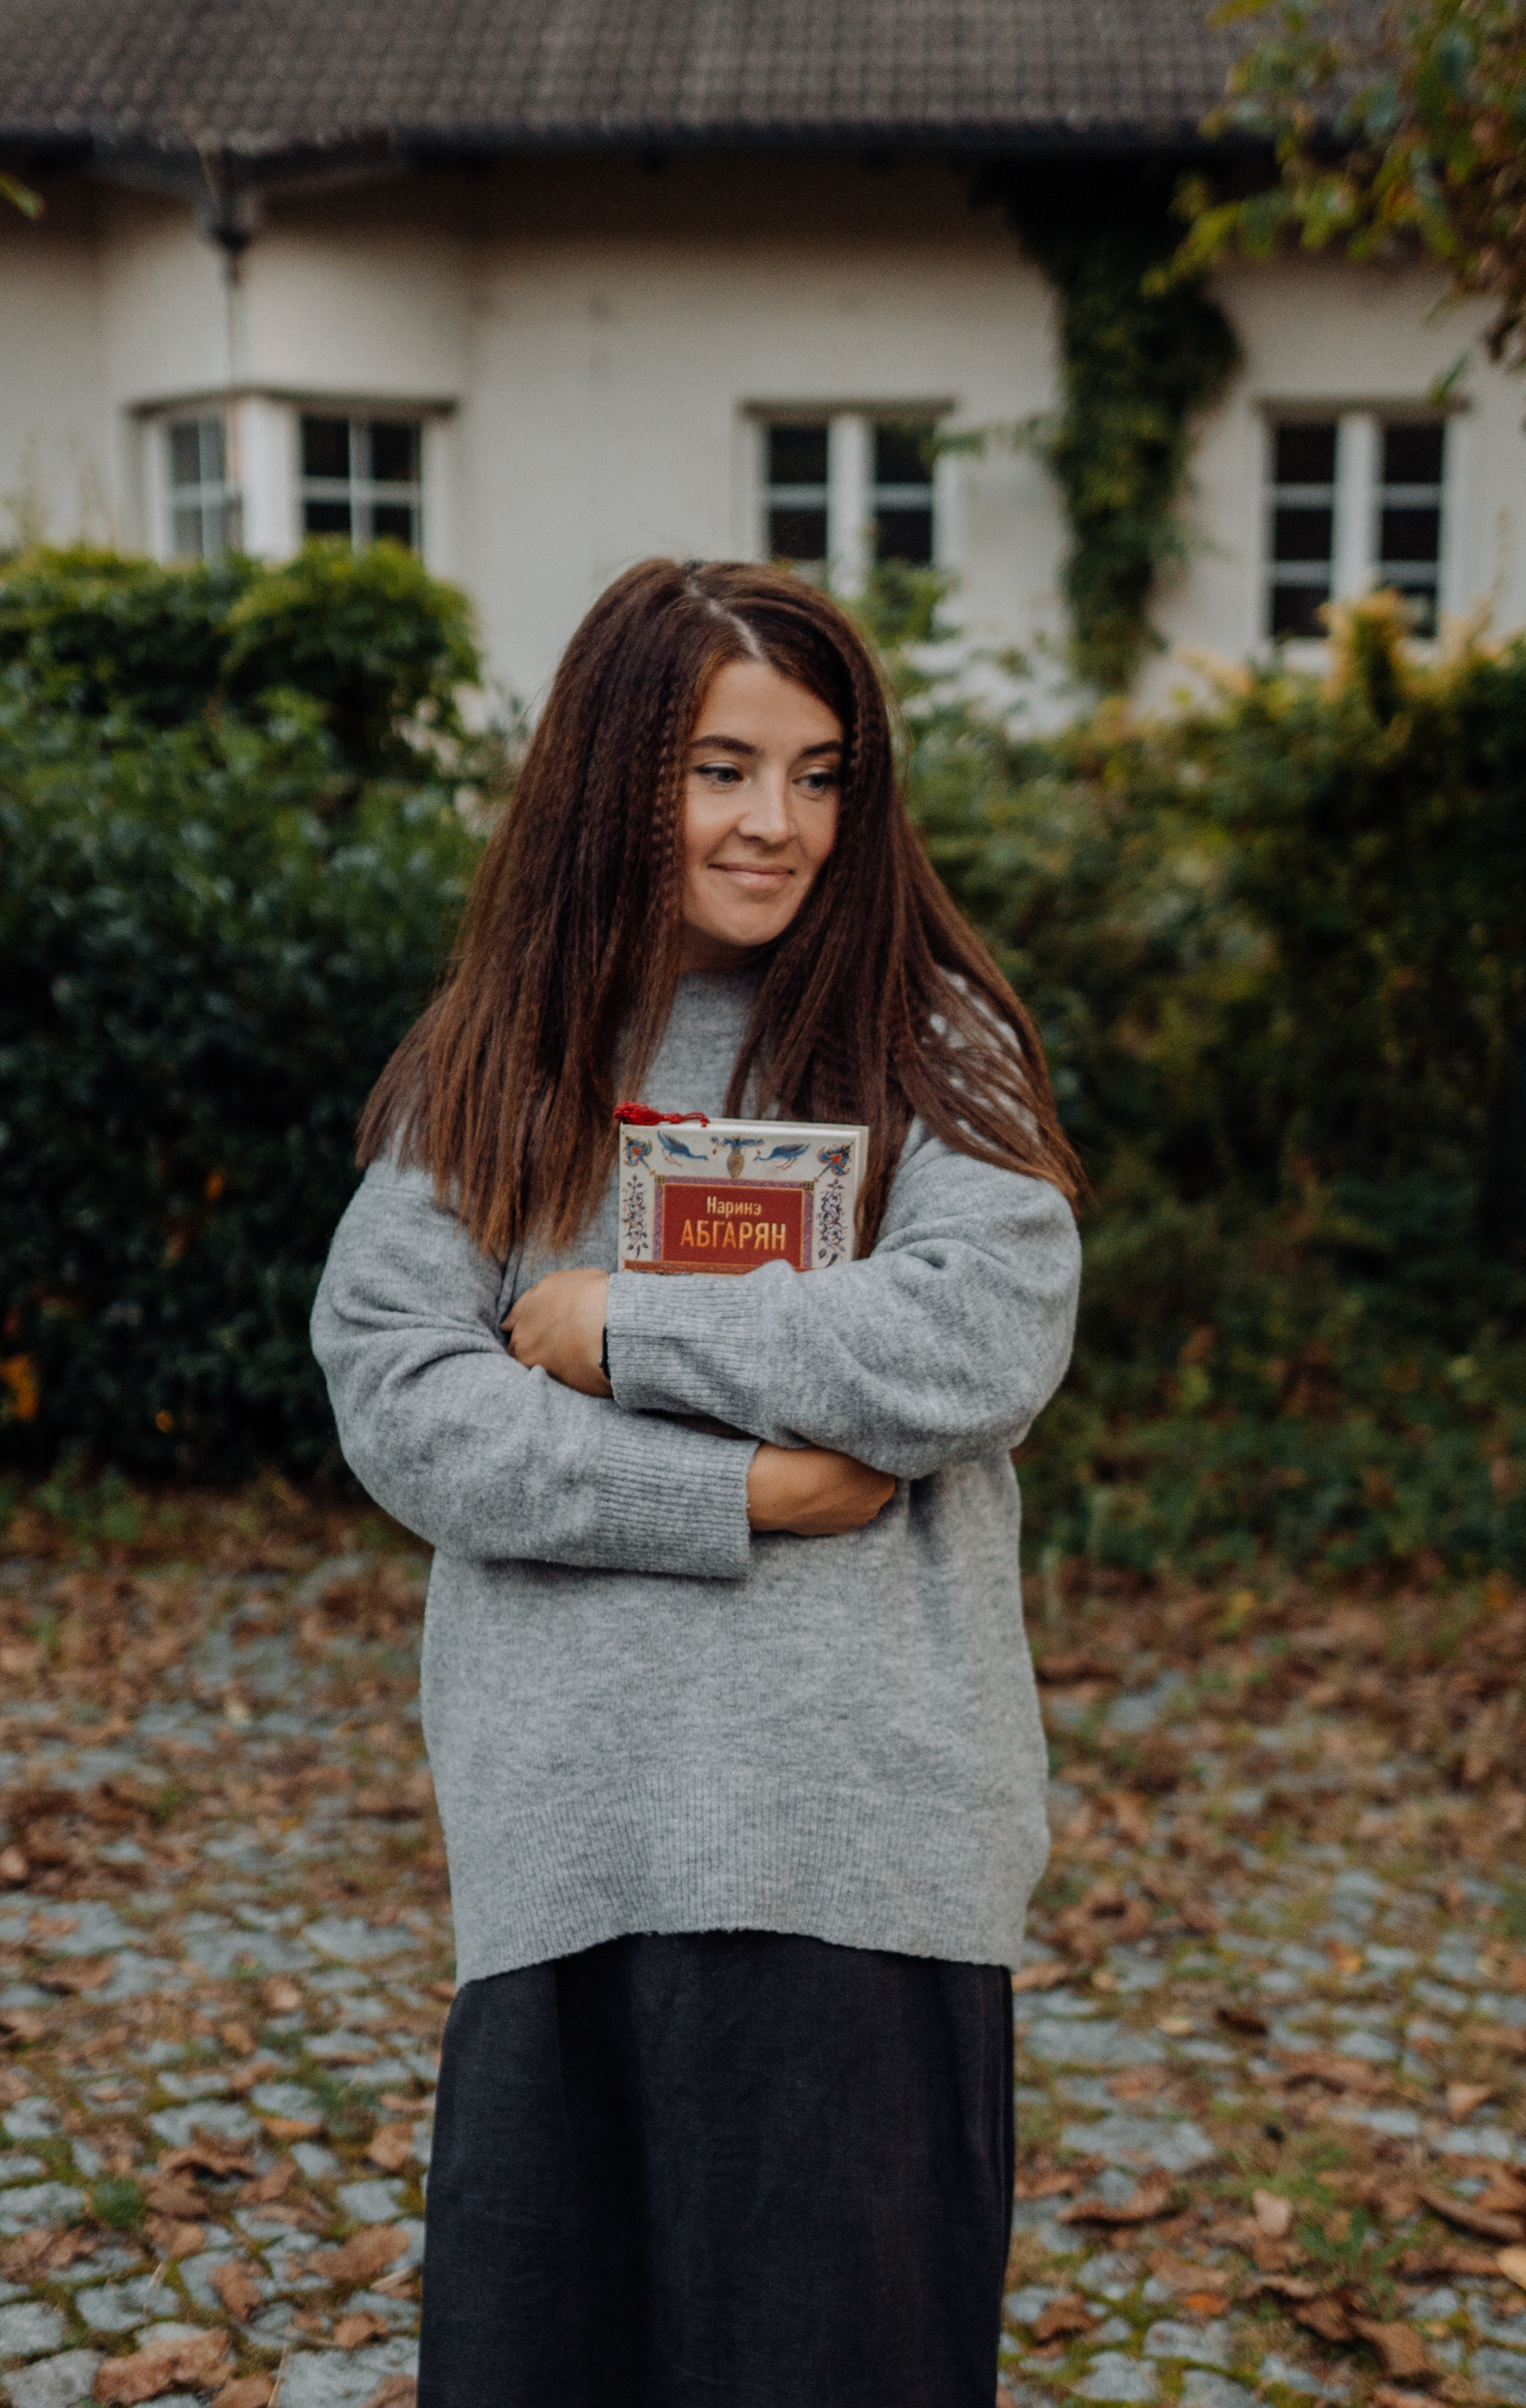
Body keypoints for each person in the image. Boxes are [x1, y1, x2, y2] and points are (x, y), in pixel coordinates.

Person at [311, 558, 1082, 2408]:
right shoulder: (496, 1072)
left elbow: (977, 1334)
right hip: (577, 1847)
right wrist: (734, 1498)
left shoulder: (928, 1043)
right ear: (612, 774)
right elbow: (404, 1394)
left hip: (869, 1851)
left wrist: (614, 1325)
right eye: (723, 766)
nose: (777, 823)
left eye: (821, 773)